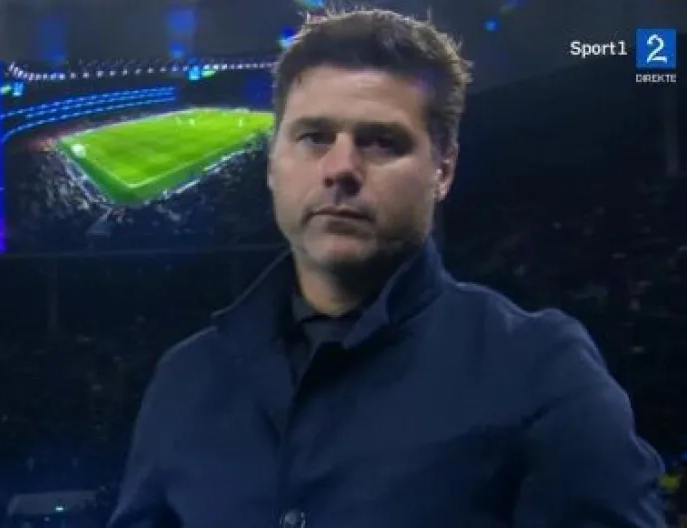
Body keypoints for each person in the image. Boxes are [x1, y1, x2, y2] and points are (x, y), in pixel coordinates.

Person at [108, 8, 665, 528]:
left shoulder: (541, 368)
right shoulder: (187, 378)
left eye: (380, 142)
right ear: (273, 163)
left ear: (443, 170)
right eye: (314, 137)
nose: (341, 168)